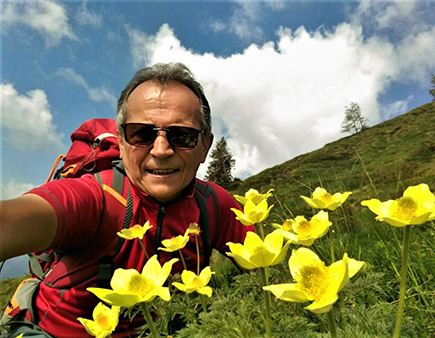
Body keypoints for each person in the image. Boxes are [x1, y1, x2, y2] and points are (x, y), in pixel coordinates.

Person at [0, 63, 254, 337]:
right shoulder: (96, 197)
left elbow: (269, 273)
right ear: (121, 142)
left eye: (182, 136)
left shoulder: (214, 204)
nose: (161, 150)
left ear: (205, 146)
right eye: (141, 134)